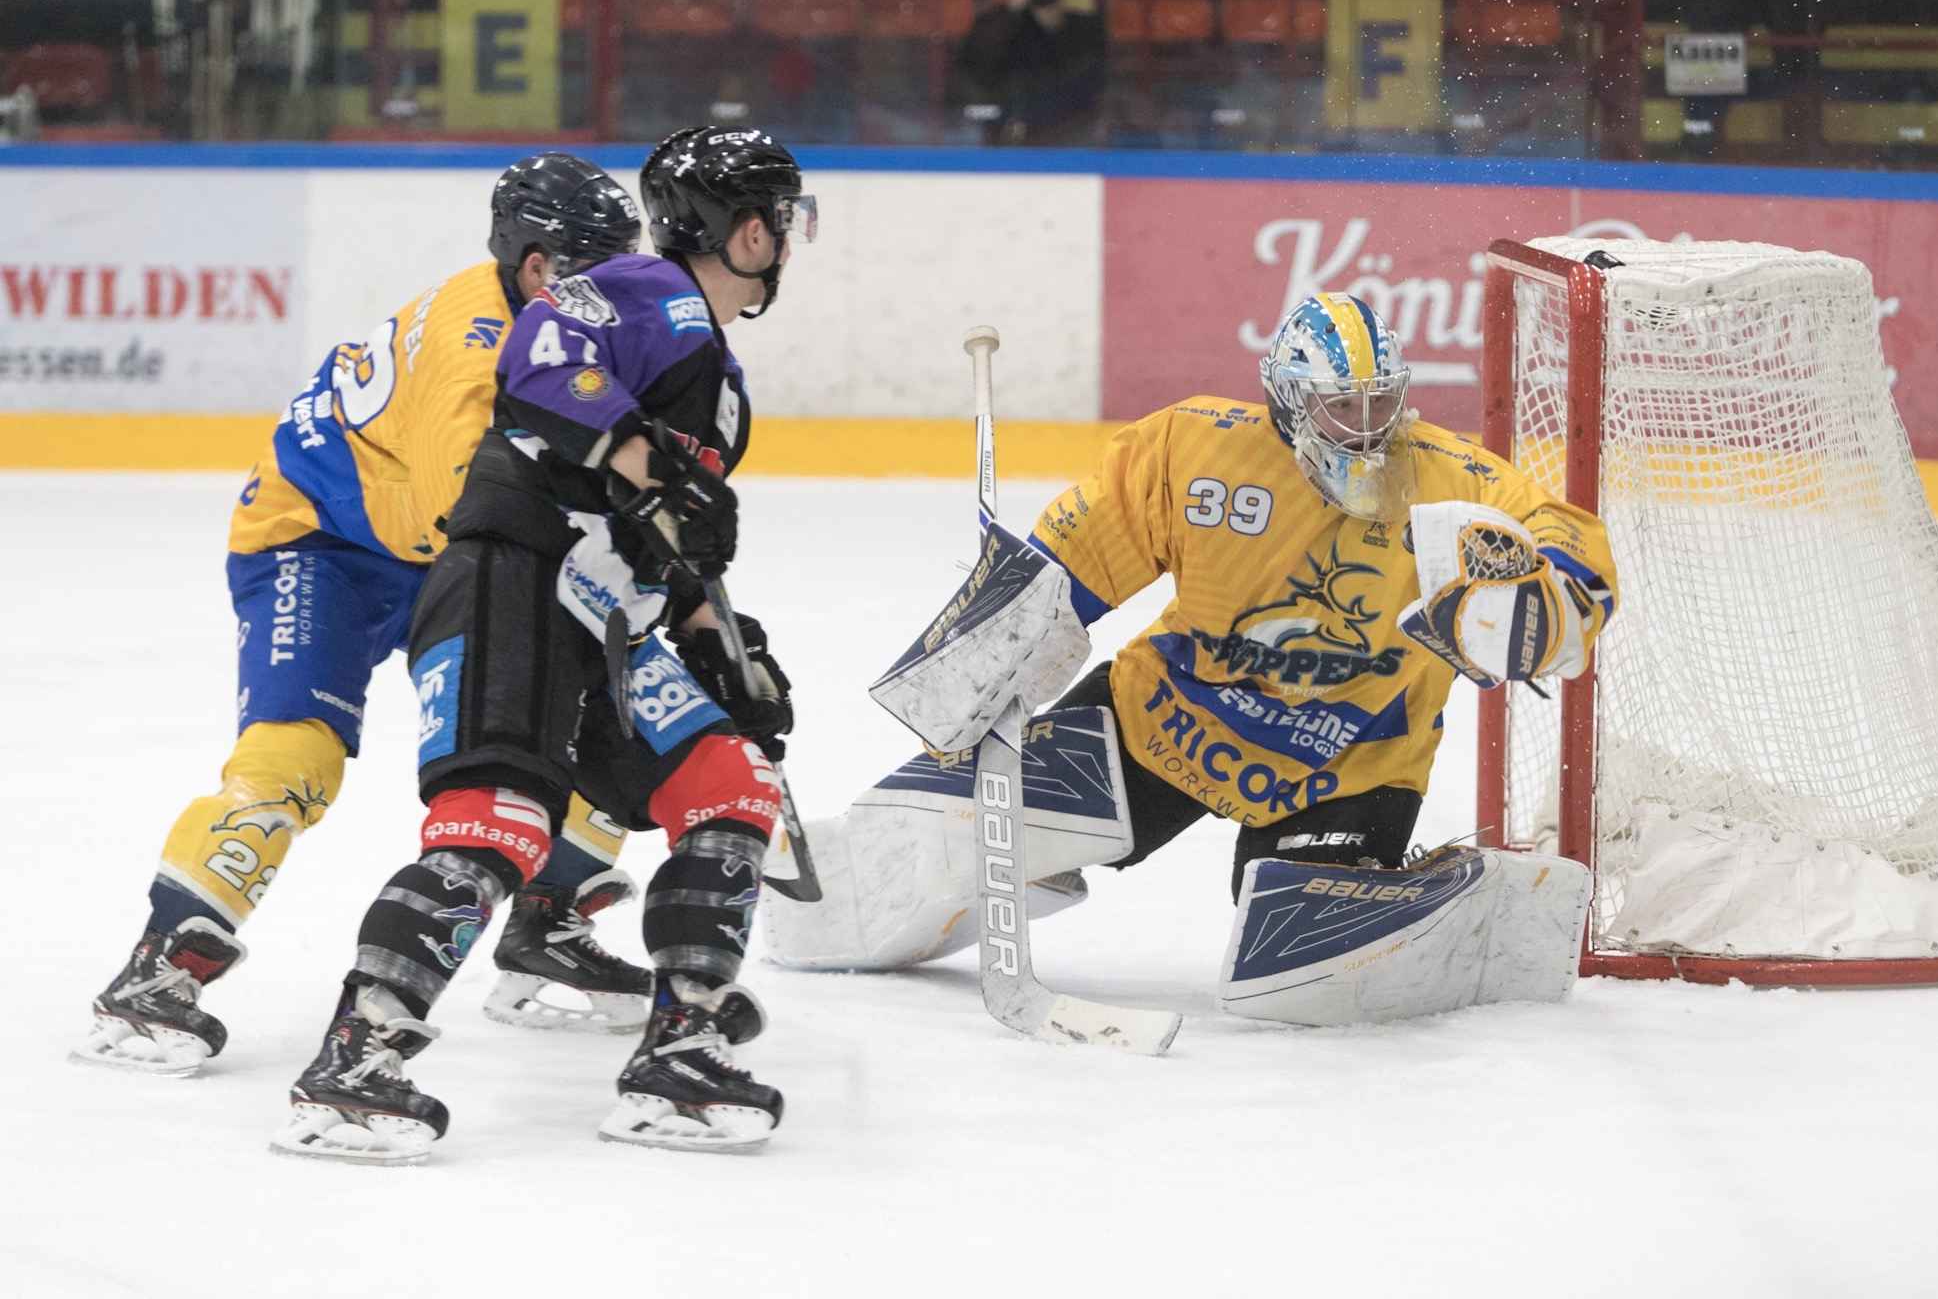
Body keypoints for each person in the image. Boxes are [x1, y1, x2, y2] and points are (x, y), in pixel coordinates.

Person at [771, 292, 1620, 1024]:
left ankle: (1460, 894)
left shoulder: (1455, 483)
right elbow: (1077, 561)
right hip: (1159, 726)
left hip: (1350, 769)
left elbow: (1566, 547)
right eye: (1339, 408)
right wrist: (995, 641)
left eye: (1380, 404)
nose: (1366, 432)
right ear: (1289, 404)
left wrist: (1540, 597)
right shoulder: (1196, 452)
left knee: (1285, 975)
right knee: (919, 840)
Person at [270, 127, 817, 1163]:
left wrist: (717, 642)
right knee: (497, 825)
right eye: (781, 221)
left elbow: (657, 539)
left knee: (729, 784)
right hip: (509, 581)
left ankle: (681, 1047)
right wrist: (644, 459)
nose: (787, 241)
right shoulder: (638, 289)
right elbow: (539, 361)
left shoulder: (711, 360)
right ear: (747, 232)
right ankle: (356, 1058)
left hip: (602, 618)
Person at [74, 154, 647, 1076]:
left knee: (587, 703)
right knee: (293, 760)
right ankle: (161, 965)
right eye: (597, 268)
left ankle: (550, 917)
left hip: (422, 540)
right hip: (318, 543)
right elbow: (459, 514)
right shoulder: (475, 351)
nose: (615, 293)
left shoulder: (544, 315)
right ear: (538, 264)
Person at [958, 0, 1106, 146]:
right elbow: (974, 81)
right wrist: (1013, 16)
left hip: (1069, 138)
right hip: (1000, 138)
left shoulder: (1084, 27)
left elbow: (1089, 84)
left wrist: (1053, 23)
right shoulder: (991, 25)